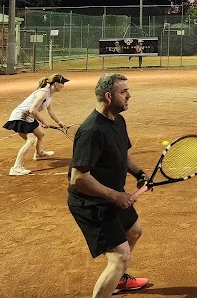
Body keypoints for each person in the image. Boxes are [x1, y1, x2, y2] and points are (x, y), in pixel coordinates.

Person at [67, 73, 149, 296]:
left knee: (133, 231)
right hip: (91, 204)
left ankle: (119, 281)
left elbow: (123, 154)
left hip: (110, 196)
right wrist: (117, 196)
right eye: (123, 92)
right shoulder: (92, 131)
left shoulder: (117, 120)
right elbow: (78, 179)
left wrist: (139, 172)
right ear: (108, 96)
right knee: (120, 256)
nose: (129, 95)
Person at [3, 73, 69, 176]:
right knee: (31, 140)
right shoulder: (43, 93)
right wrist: (44, 122)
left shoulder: (49, 95)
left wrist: (60, 123)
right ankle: (16, 167)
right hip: (21, 117)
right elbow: (33, 110)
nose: (63, 86)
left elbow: (50, 111)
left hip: (29, 117)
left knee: (40, 134)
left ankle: (39, 154)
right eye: (62, 83)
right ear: (56, 84)